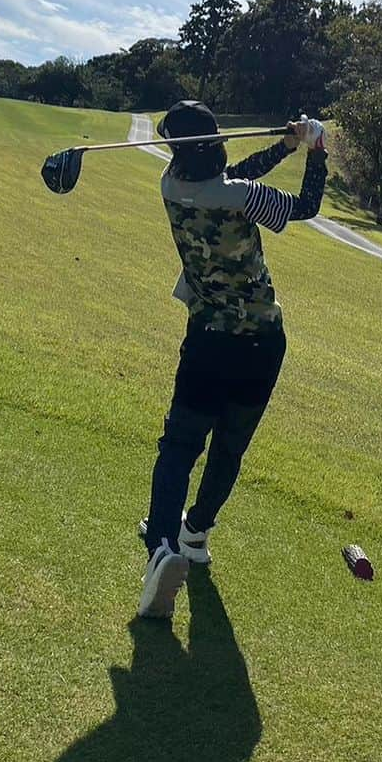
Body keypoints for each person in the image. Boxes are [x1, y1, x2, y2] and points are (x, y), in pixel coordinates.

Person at [137, 100, 328, 619]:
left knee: (179, 446)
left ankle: (161, 546)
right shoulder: (244, 198)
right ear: (217, 141)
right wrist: (315, 149)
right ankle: (195, 531)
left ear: (178, 152)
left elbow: (227, 178)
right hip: (261, 344)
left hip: (207, 341)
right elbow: (305, 205)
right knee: (228, 448)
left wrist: (283, 147)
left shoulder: (171, 187)